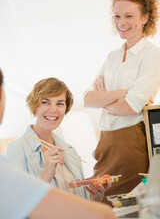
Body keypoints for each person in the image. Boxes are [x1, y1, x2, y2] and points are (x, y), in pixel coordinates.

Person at [0, 68, 117, 219]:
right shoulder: (17, 149)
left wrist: (95, 198)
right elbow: (17, 208)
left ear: (66, 109)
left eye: (60, 103)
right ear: (35, 106)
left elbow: (77, 205)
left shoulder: (70, 151)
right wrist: (47, 173)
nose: (53, 110)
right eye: (45, 102)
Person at [84, 0, 160, 204]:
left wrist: (104, 100)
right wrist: (119, 93)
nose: (121, 23)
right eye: (117, 16)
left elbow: (131, 106)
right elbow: (88, 99)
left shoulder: (152, 55)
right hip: (105, 142)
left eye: (129, 15)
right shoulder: (112, 57)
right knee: (100, 205)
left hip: (130, 141)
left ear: (146, 17)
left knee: (126, 208)